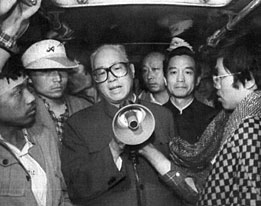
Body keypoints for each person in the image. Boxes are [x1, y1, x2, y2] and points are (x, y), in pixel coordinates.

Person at [61, 44, 182, 206]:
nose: (111, 78)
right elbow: (76, 189)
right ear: (95, 80)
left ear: (131, 70)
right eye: (101, 73)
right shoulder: (77, 125)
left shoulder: (163, 116)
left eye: (117, 68)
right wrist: (113, 149)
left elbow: (179, 178)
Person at [0, 0, 72, 205]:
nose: (31, 98)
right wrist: (10, 27)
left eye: (27, 89)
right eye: (17, 93)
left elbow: (63, 195)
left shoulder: (43, 138)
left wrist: (17, 19)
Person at [197, 33, 261, 206]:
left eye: (220, 77)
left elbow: (251, 198)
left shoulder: (248, 126)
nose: (216, 84)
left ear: (249, 80)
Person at [21, 39, 92, 150]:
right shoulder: (21, 113)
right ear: (29, 77)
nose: (57, 78)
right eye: (46, 72)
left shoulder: (85, 107)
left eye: (61, 70)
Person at [163, 39, 219, 144]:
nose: (180, 79)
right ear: (165, 79)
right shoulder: (155, 117)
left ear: (197, 79)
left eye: (187, 72)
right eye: (174, 72)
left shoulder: (213, 118)